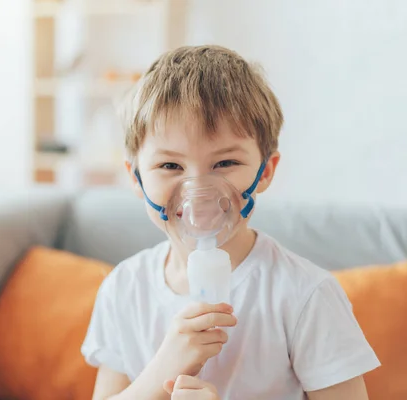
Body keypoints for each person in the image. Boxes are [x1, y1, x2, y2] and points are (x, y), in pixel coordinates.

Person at [80, 45, 380, 400]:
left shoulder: (305, 296)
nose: (199, 191)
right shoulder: (124, 290)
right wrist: (163, 369)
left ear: (265, 171)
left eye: (225, 164)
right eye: (170, 166)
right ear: (136, 178)